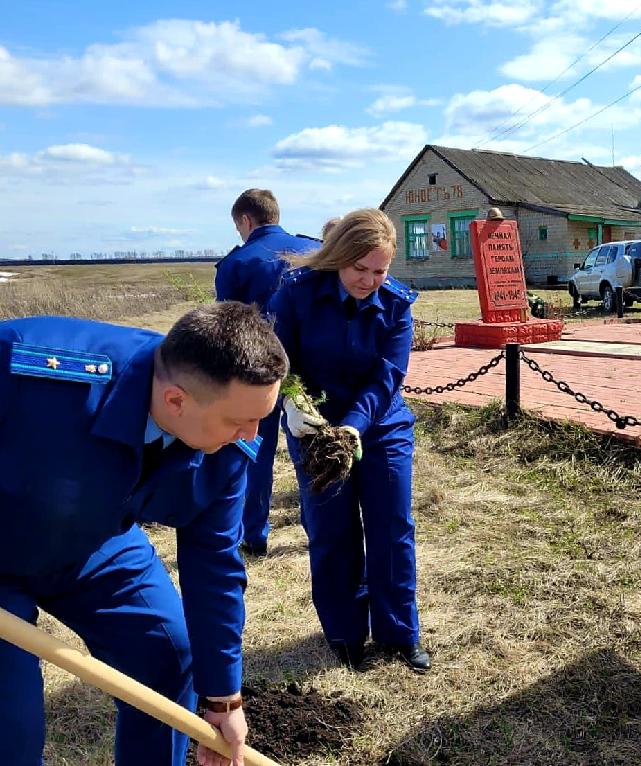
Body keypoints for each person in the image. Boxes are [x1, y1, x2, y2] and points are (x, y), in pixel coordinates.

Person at [0, 302, 289, 766]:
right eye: (238, 422)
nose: (251, 434)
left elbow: (214, 564)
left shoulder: (231, 444)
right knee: (9, 728)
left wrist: (223, 699)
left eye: (260, 419)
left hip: (95, 545)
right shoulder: (29, 369)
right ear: (176, 400)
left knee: (167, 655)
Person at [268, 208, 431, 672]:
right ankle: (344, 632)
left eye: (379, 271)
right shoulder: (296, 294)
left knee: (391, 526)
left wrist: (355, 427)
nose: (368, 280)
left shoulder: (397, 306)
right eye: (359, 269)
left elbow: (387, 378)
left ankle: (400, 633)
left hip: (380, 426)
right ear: (338, 257)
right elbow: (278, 356)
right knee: (331, 527)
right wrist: (292, 400)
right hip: (314, 426)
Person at [215, 188, 319, 557]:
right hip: (310, 369)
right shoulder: (314, 248)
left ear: (246, 221)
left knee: (253, 451)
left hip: (257, 369)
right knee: (310, 445)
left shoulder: (237, 263)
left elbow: (228, 327)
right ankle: (317, 528)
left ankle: (253, 534)